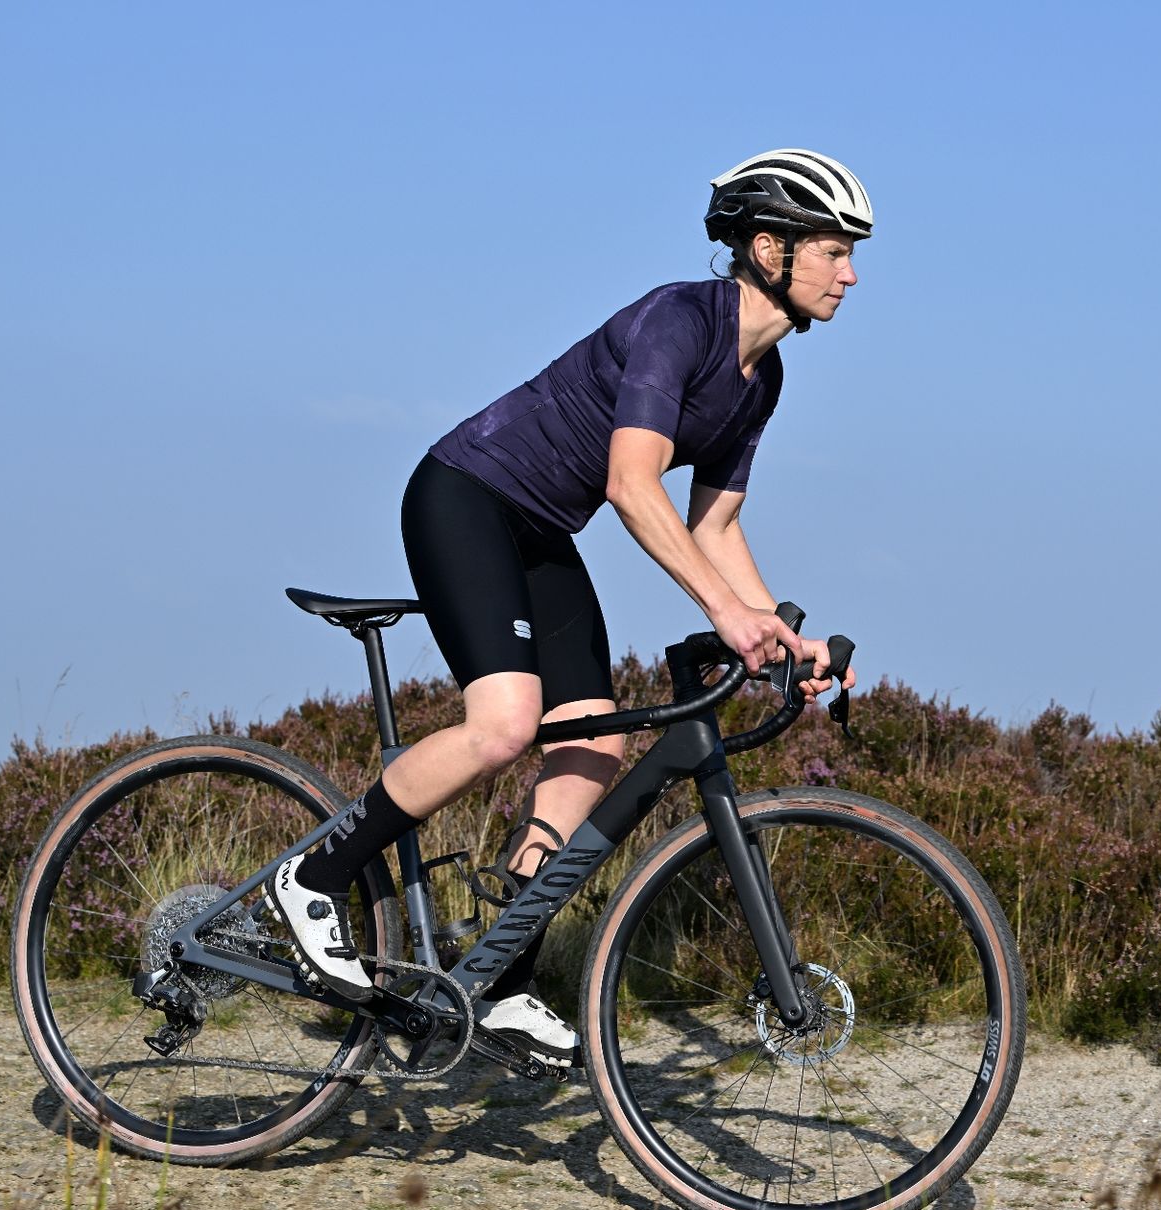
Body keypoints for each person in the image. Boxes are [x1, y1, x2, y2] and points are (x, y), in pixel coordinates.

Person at [265, 148, 871, 1067]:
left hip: (542, 532)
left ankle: (500, 976)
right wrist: (729, 615)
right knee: (505, 723)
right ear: (767, 248)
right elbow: (633, 486)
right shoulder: (681, 320)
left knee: (593, 740)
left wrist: (779, 636)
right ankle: (313, 877)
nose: (851, 273)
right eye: (833, 251)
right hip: (465, 495)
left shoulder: (764, 380)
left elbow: (717, 523)